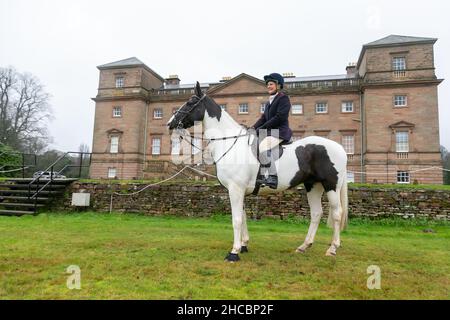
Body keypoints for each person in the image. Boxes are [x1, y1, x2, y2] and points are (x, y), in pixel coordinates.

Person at [250, 73, 292, 189]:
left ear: (278, 85)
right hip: (270, 132)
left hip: (280, 131)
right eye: (268, 84)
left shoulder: (283, 98)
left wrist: (261, 129)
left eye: (271, 84)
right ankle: (261, 175)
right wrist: (253, 128)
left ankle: (273, 177)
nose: (269, 86)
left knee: (263, 147)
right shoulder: (269, 102)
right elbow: (263, 118)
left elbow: (279, 117)